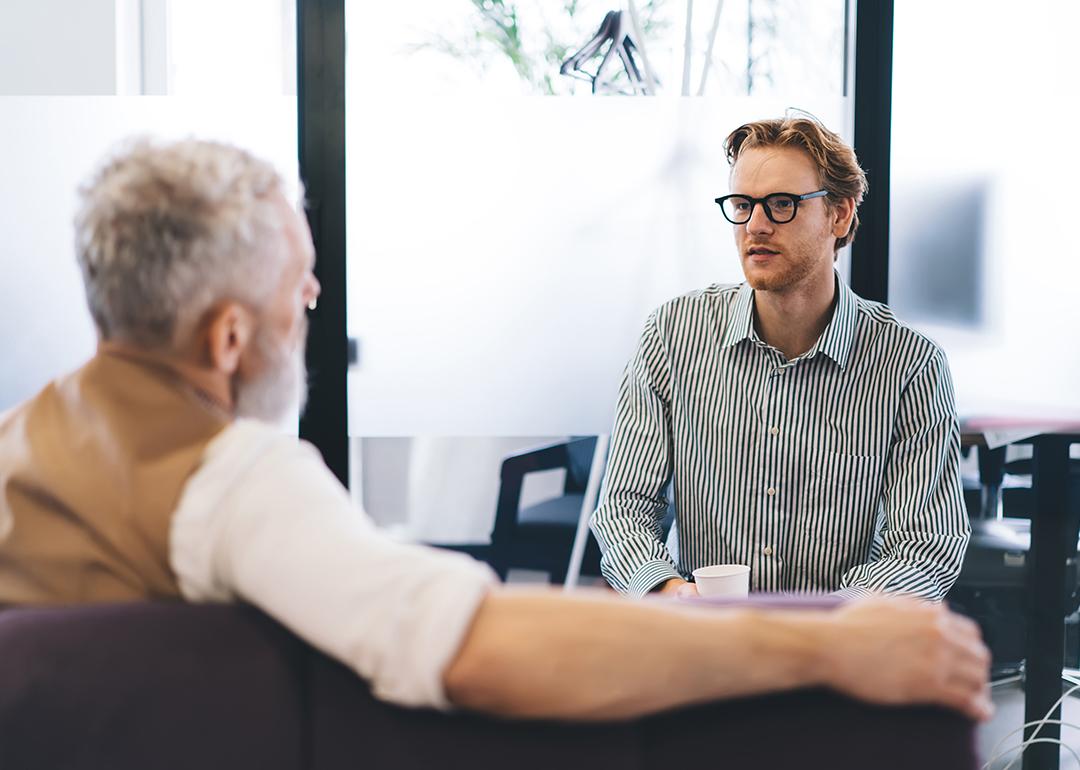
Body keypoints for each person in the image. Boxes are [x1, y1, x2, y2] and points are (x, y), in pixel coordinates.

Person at [0, 138, 991, 722]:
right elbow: (478, 643)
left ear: (842, 217)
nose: (312, 300)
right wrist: (820, 647)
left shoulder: (22, 440)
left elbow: (925, 541)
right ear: (226, 334)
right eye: (298, 283)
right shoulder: (229, 480)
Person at [591, 116, 969, 602]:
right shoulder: (673, 334)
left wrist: (823, 625)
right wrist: (665, 588)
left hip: (836, 655)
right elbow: (624, 506)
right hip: (704, 646)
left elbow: (924, 544)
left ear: (839, 215)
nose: (756, 225)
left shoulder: (909, 364)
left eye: (783, 204)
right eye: (743, 205)